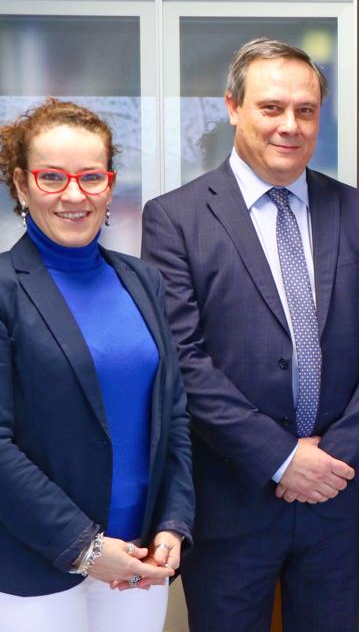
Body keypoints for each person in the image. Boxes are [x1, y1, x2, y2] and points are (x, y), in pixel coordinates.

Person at [140, 38, 359, 632]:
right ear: (232, 107)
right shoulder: (176, 218)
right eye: (272, 107)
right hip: (232, 497)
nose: (290, 125)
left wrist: (332, 457)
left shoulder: (358, 211)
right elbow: (182, 357)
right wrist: (283, 458)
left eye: (306, 110)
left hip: (338, 496)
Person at [0, 98, 193, 631]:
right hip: (35, 568)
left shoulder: (143, 282)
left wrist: (173, 524)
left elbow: (172, 417)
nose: (74, 195)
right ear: (21, 184)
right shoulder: (4, 290)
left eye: (91, 177)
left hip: (138, 561)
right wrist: (85, 547)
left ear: (109, 184)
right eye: (52, 177)